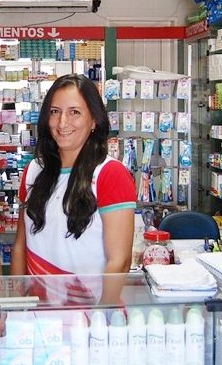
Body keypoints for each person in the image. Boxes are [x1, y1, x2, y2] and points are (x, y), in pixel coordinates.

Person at [10, 74, 137, 282]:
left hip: (89, 309)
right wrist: (14, 303)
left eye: (74, 112)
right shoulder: (33, 170)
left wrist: (102, 312)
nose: (62, 123)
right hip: (39, 310)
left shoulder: (110, 173)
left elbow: (120, 261)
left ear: (94, 119)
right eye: (55, 112)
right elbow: (20, 246)